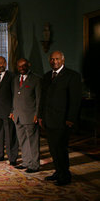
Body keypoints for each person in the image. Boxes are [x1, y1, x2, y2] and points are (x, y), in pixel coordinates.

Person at [39, 51, 81, 186]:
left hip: (63, 120)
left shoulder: (72, 76)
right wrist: (40, 116)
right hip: (48, 120)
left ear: (63, 60)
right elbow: (43, 99)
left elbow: (75, 100)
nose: (54, 61)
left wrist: (70, 118)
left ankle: (65, 175)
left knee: (61, 149)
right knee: (53, 148)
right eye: (52, 59)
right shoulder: (46, 76)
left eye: (57, 59)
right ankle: (58, 171)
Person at [11, 58, 41, 173]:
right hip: (18, 116)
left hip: (30, 115)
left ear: (29, 65)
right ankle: (26, 161)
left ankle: (34, 164)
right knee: (22, 140)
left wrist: (37, 114)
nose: (21, 68)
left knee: (32, 141)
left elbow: (39, 99)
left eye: (24, 65)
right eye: (19, 66)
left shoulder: (36, 79)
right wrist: (13, 111)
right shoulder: (15, 79)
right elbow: (14, 97)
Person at [0, 56, 18, 165]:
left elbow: (15, 95)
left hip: (8, 111)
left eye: (0, 63)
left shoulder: (12, 76)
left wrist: (12, 110)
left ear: (5, 63)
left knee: (10, 136)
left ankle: (12, 158)